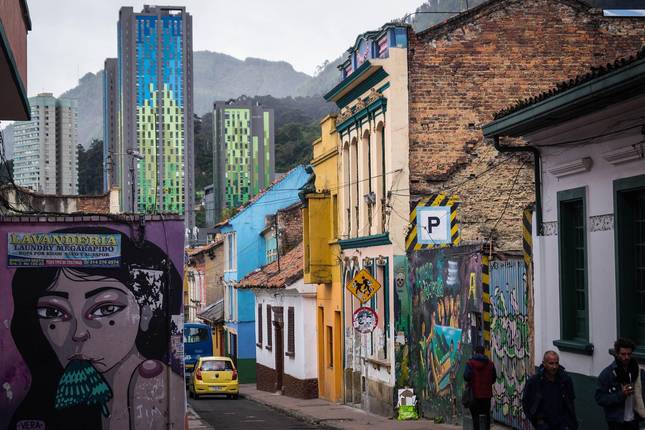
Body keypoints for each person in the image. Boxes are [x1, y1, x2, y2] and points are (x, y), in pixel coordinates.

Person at [9, 226, 183, 430]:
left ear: (146, 314)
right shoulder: (52, 400)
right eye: (53, 312)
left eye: (106, 308)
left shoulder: (153, 385)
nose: (78, 333)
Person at [595, 338, 645, 429]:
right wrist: (621, 395)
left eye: (629, 354)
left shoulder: (637, 371)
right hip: (616, 421)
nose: (626, 357)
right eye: (623, 354)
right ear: (617, 354)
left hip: (634, 419)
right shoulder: (607, 373)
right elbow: (600, 398)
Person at [522, 350, 578, 429]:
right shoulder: (535, 381)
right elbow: (526, 402)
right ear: (544, 363)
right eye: (551, 363)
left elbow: (570, 401)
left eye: (556, 363)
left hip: (562, 423)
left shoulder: (565, 380)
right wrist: (537, 420)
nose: (554, 367)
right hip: (544, 424)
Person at [464, 345, 497, 430]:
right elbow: (494, 379)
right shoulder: (490, 364)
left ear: (475, 352)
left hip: (474, 396)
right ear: (484, 352)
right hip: (487, 396)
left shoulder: (470, 363)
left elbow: (466, 377)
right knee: (487, 417)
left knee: (475, 418)